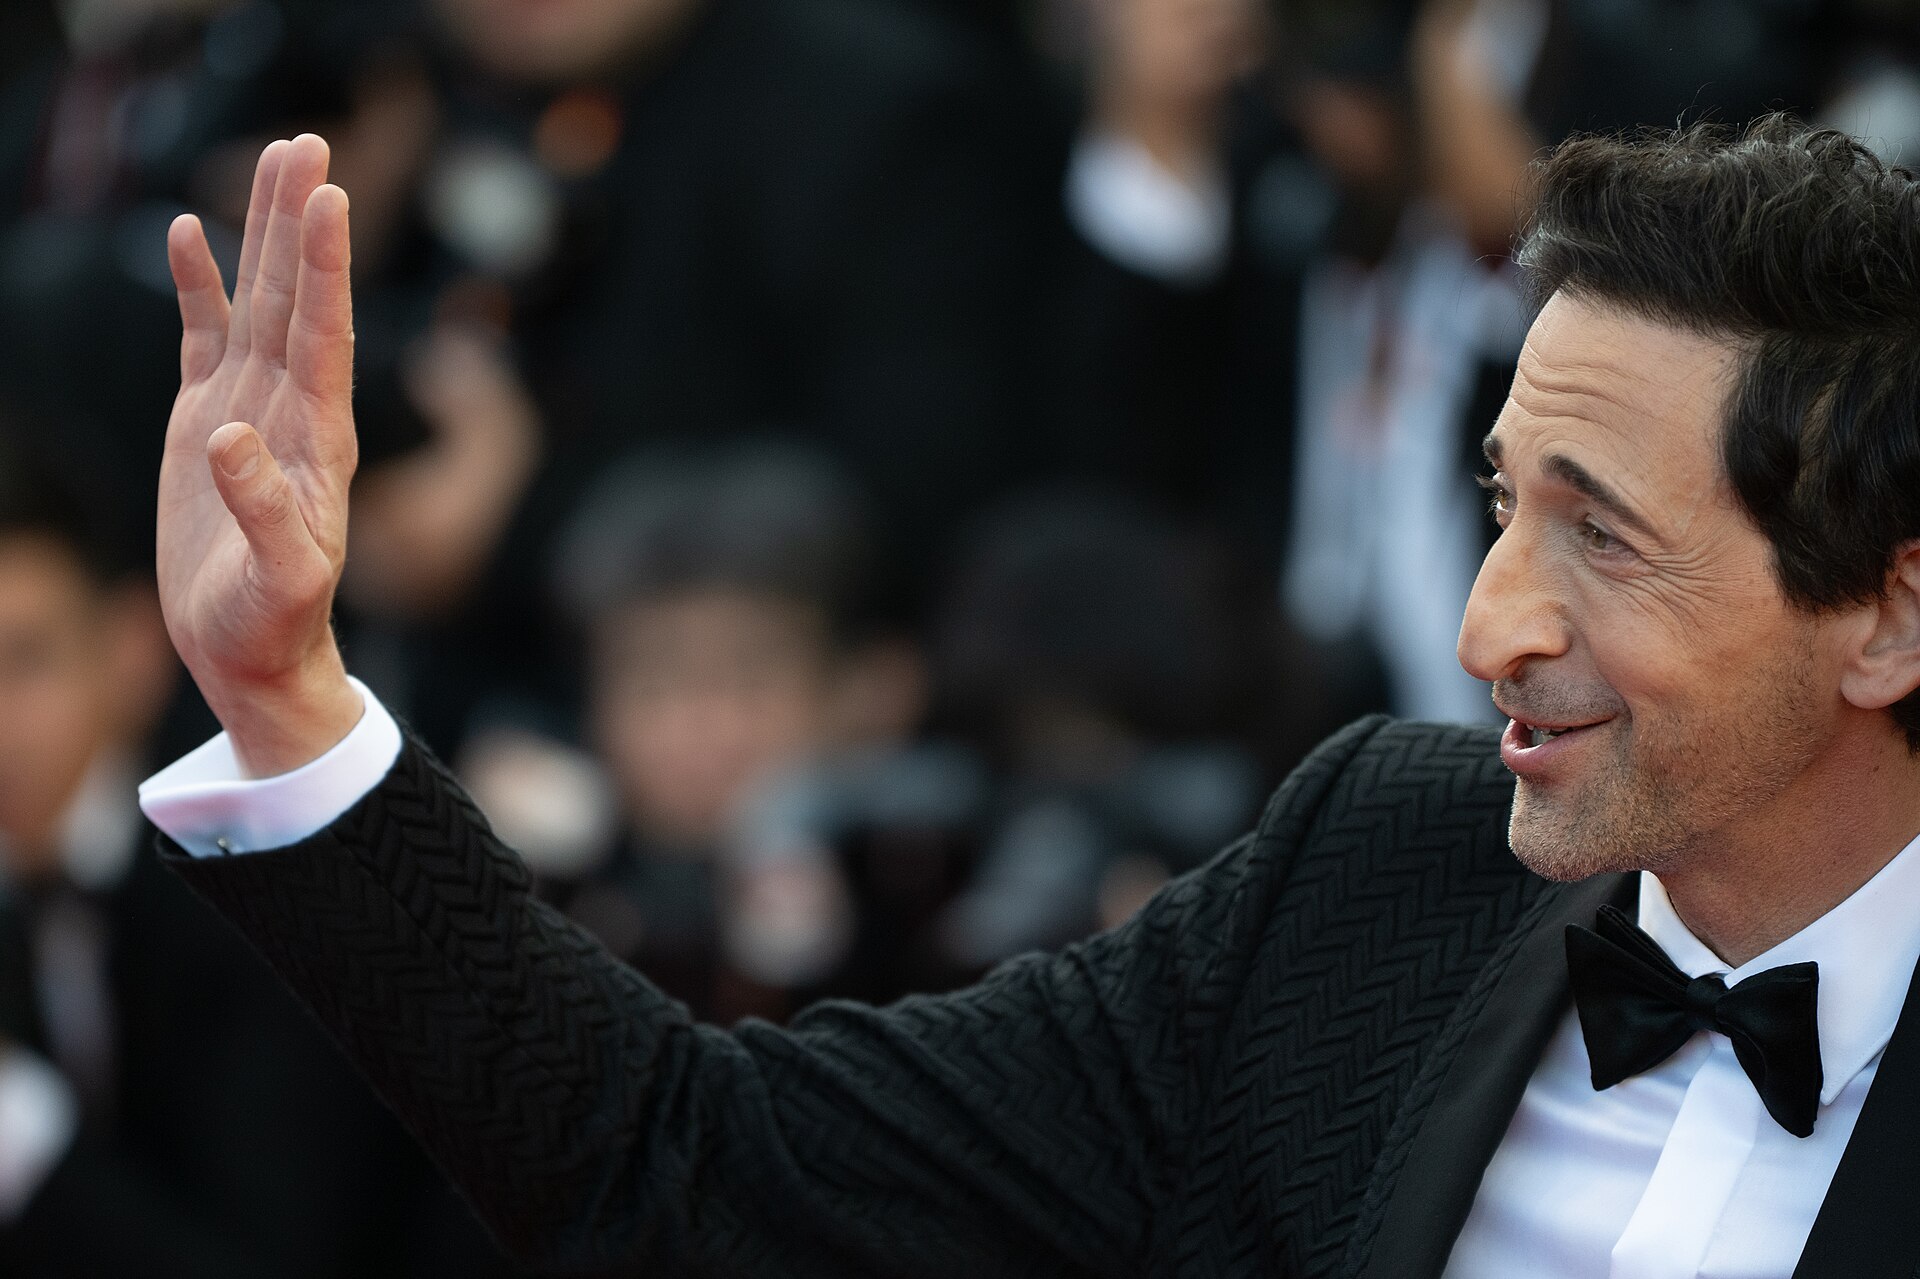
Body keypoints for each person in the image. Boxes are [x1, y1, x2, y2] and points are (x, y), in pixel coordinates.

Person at [137, 117, 1920, 1275]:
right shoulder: (1383, 878)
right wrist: (287, 695)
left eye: (1602, 540)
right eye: (1499, 504)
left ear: (1887, 625)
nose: (1485, 628)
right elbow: (691, 1163)